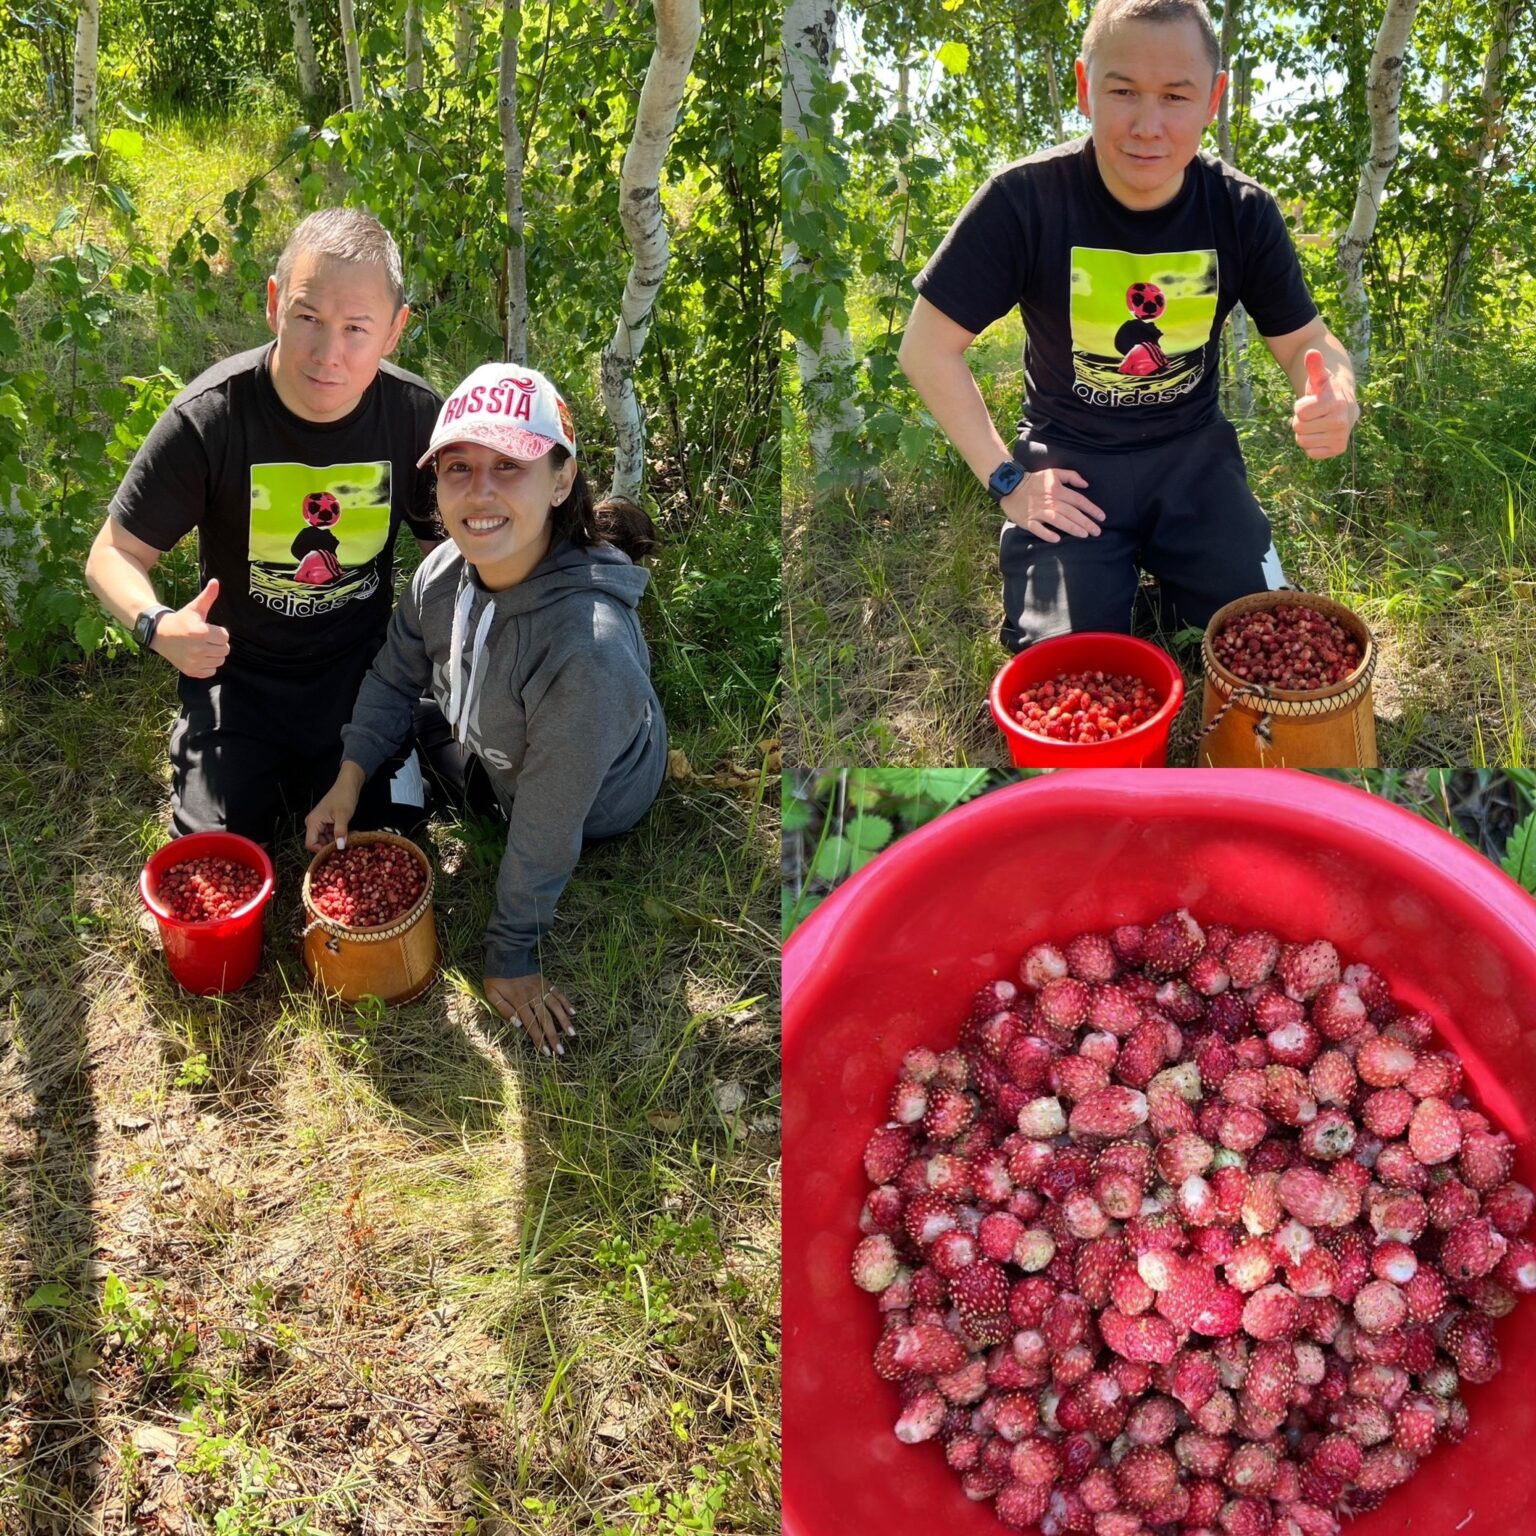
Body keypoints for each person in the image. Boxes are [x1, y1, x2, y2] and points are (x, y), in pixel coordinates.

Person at [899, 0, 1361, 653]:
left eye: (1176, 96)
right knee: (1068, 667)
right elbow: (927, 350)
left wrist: (1335, 392)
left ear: (1213, 99)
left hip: (1195, 464)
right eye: (1123, 91)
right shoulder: (1022, 199)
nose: (1148, 125)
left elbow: (1308, 341)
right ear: (1087, 88)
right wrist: (1008, 480)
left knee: (1263, 638)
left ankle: (1169, 591)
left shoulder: (1242, 211)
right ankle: (1104, 594)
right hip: (1069, 466)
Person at [303, 363, 668, 1059]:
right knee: (377, 724)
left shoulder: (586, 652)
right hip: (494, 743)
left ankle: (433, 789)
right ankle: (401, 790)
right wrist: (347, 781)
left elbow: (550, 821)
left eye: (510, 466)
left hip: (587, 804)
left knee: (479, 782)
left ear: (561, 482)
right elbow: (392, 674)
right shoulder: (442, 571)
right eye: (459, 467)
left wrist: (512, 954)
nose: (480, 491)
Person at [84, 208, 442, 843]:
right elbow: (112, 553)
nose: (328, 354)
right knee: (213, 856)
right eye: (308, 317)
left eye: (357, 328)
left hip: (363, 674)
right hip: (237, 679)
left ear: (394, 331)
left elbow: (454, 556)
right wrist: (159, 624)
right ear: (275, 303)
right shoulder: (210, 419)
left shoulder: (414, 416)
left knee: (390, 842)